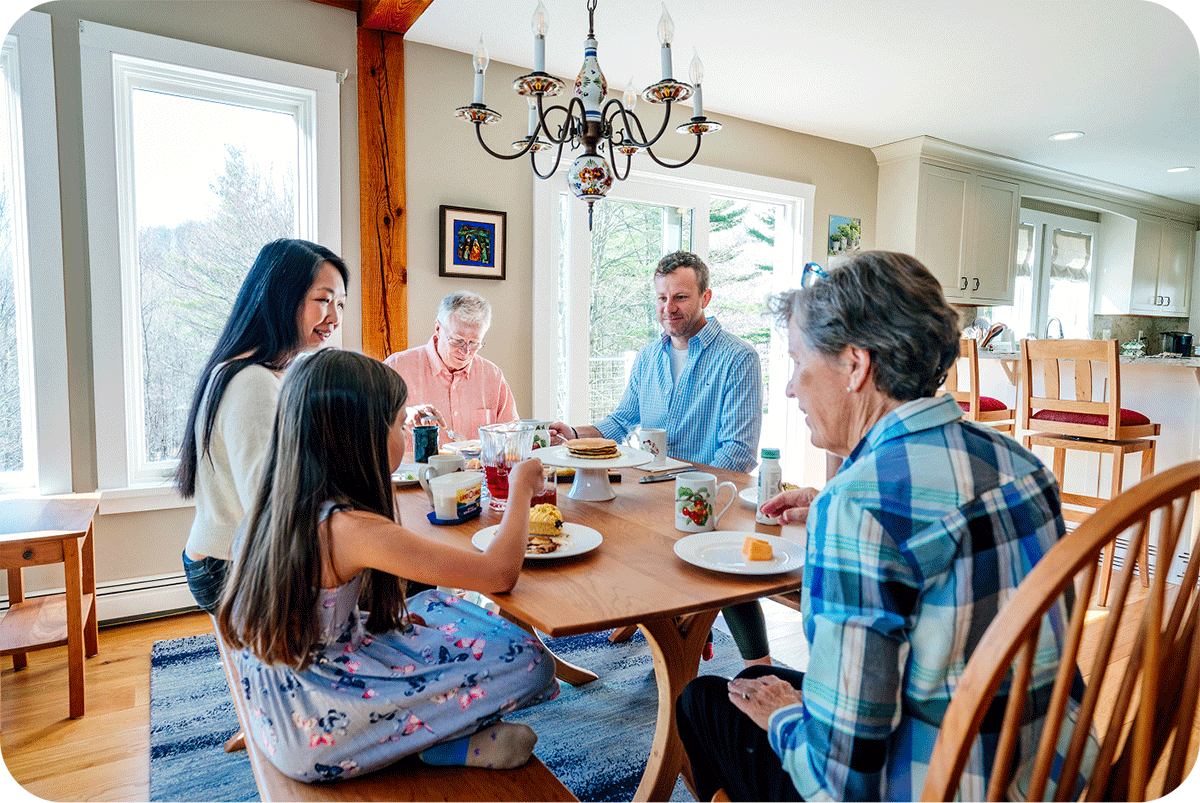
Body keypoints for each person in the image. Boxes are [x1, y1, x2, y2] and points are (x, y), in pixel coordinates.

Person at [675, 251, 1074, 801]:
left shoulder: (860, 504)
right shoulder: (1019, 463)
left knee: (703, 700)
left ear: (855, 366)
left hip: (935, 786)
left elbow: (841, 782)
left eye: (797, 362)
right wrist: (829, 506)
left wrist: (786, 720)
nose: (791, 389)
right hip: (1051, 771)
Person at [216, 349, 558, 782]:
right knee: (531, 661)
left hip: (270, 699)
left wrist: (366, 619)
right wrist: (521, 488)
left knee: (431, 606)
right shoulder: (351, 528)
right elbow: (500, 573)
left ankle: (426, 737)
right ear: (363, 437)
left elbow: (308, 608)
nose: (405, 433)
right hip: (317, 728)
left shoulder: (274, 507)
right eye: (399, 424)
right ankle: (433, 743)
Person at [550, 251, 768, 666]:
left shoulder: (738, 358)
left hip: (707, 498)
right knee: (590, 521)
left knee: (722, 567)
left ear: (706, 297)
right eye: (661, 298)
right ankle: (660, 621)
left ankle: (758, 667)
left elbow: (737, 453)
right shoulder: (649, 357)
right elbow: (622, 419)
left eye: (680, 298)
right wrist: (575, 434)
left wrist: (692, 492)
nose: (668, 309)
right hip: (650, 491)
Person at [177, 238, 348, 613]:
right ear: (281, 296)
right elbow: (268, 499)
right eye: (323, 300)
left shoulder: (258, 370)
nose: (334, 318)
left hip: (227, 554)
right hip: (227, 567)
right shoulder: (252, 381)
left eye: (340, 304)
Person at [383, 290, 517, 449]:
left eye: (474, 343)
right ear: (438, 329)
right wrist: (405, 414)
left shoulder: (492, 376)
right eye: (457, 341)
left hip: (476, 472)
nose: (465, 351)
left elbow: (512, 435)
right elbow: (370, 425)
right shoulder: (397, 367)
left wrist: (540, 437)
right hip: (416, 472)